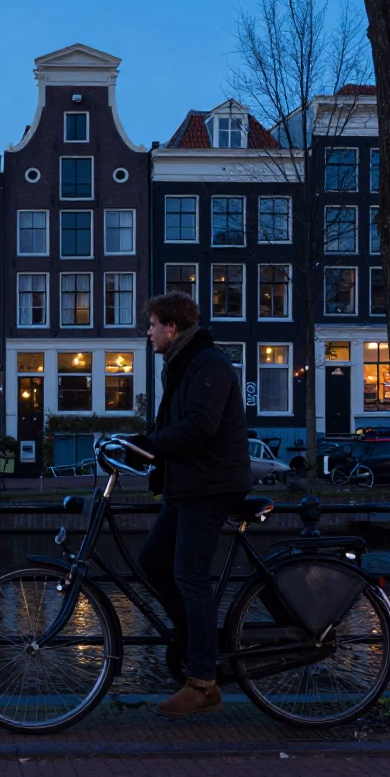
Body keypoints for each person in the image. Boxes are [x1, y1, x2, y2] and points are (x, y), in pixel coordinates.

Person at [127, 291, 253, 717]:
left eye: (152, 325)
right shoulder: (183, 365)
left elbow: (200, 425)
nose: (148, 333)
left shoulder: (207, 364)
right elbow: (179, 424)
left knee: (190, 576)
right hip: (187, 485)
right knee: (153, 562)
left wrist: (149, 445)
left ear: (172, 327)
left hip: (209, 486)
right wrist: (145, 447)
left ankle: (202, 682)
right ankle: (194, 638)